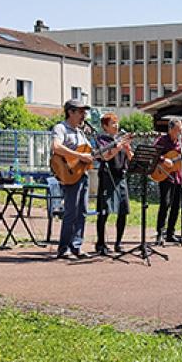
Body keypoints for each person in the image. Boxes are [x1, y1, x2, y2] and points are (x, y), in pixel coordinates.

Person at [50, 99, 102, 259]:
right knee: (71, 212)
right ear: (70, 112)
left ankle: (76, 246)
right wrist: (80, 155)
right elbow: (56, 147)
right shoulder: (61, 128)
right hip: (68, 175)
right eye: (80, 112)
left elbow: (90, 153)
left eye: (84, 112)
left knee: (82, 212)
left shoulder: (81, 132)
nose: (83, 116)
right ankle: (63, 248)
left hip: (82, 175)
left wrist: (109, 149)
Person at [94, 113, 134, 255]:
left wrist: (128, 150)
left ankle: (118, 243)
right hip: (107, 176)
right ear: (105, 126)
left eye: (117, 123)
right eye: (112, 123)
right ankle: (100, 243)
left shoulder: (122, 140)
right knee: (104, 211)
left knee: (123, 211)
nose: (116, 126)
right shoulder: (102, 140)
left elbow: (131, 160)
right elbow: (106, 156)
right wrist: (118, 146)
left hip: (121, 177)